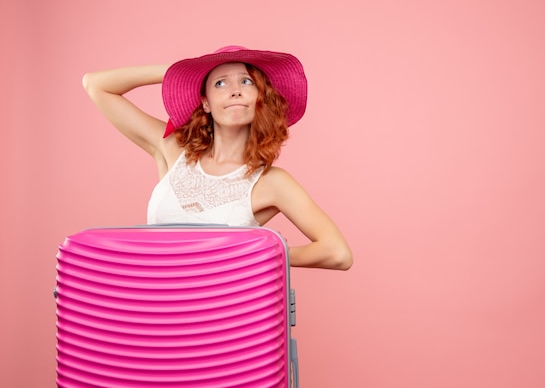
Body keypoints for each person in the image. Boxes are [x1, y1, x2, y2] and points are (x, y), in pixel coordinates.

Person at [82, 45, 353, 270]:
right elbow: (96, 85)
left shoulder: (271, 182)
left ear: (260, 98)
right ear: (206, 103)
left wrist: (256, 254)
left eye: (246, 81)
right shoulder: (172, 150)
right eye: (220, 83)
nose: (235, 90)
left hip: (220, 319)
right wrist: (177, 72)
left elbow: (338, 253)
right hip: (156, 307)